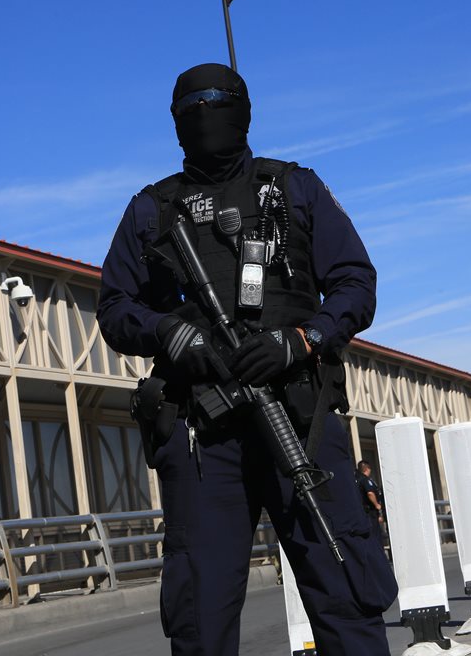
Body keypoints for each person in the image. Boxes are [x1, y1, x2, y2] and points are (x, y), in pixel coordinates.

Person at [97, 63, 396, 656]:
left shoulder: (294, 188)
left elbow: (355, 284)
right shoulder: (150, 210)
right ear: (176, 121)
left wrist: (302, 339)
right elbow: (115, 307)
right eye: (192, 106)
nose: (206, 114)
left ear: (244, 109)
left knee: (344, 590)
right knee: (200, 617)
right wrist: (166, 333)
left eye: (218, 101)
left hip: (300, 420)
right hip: (201, 436)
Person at [355, 459, 386, 543]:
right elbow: (370, 493)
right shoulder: (365, 480)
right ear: (367, 469)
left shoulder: (356, 479)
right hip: (370, 512)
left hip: (362, 512)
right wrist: (377, 505)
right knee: (375, 534)